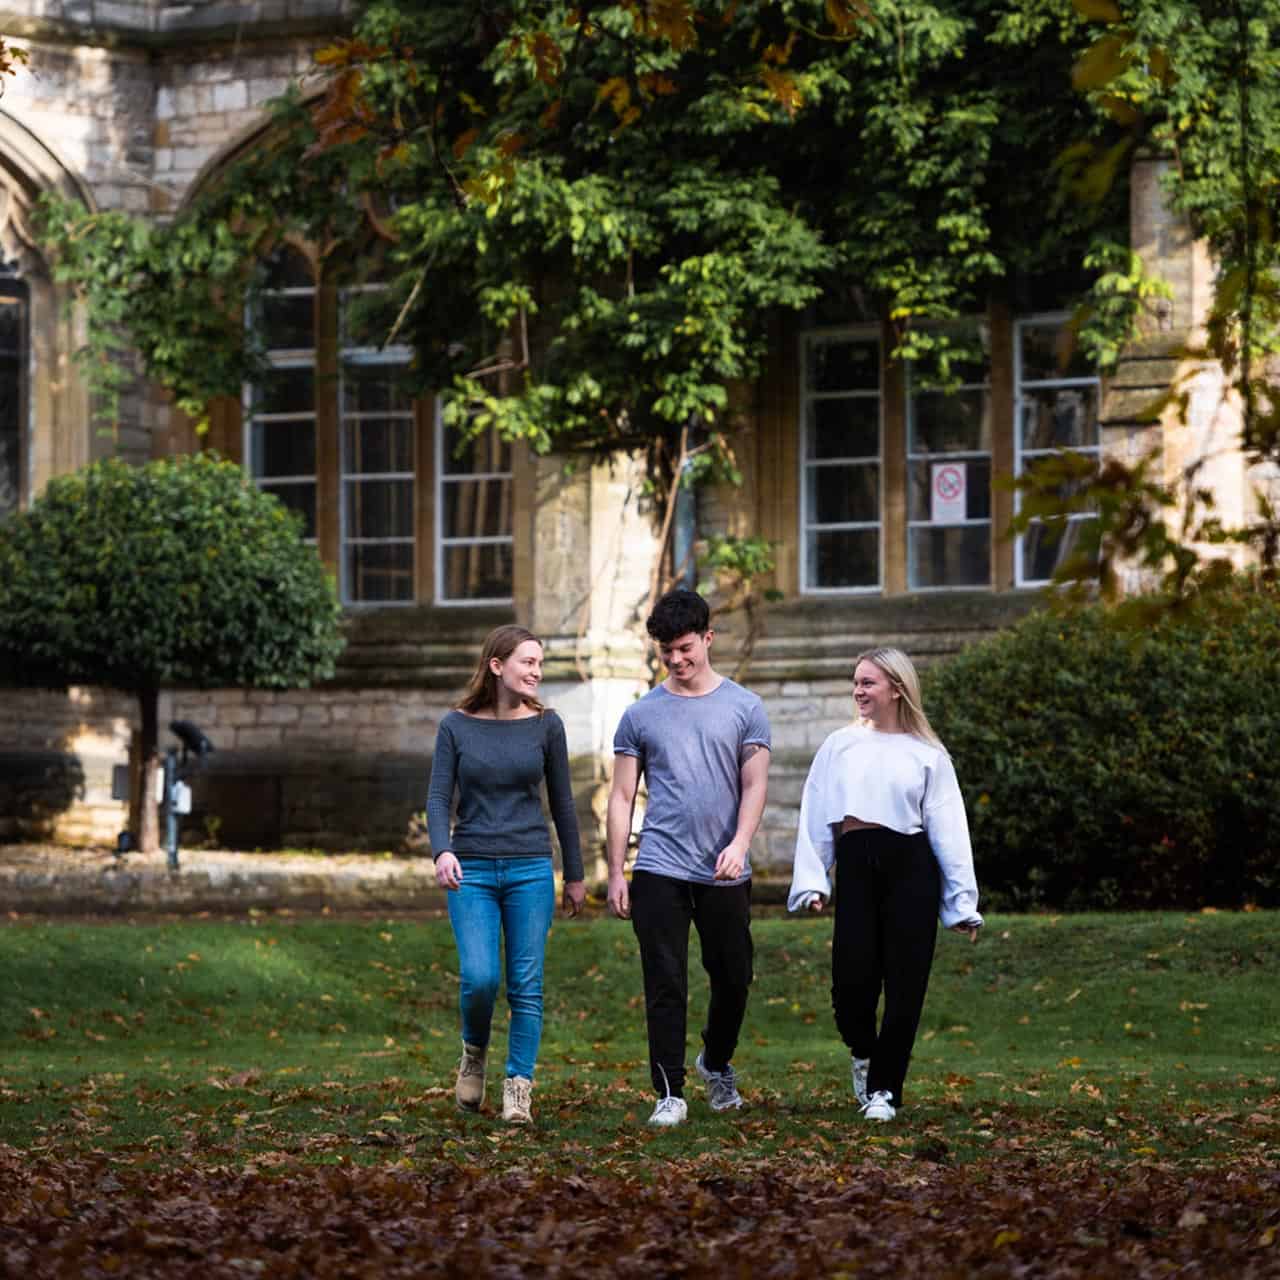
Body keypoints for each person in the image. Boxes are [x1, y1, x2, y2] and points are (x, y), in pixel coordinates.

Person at [788, 646, 982, 1124]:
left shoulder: (929, 755)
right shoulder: (839, 745)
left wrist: (961, 904)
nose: (858, 691)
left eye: (868, 683)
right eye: (856, 682)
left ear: (896, 688)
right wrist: (814, 881)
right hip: (857, 864)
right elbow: (815, 816)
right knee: (851, 986)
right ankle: (863, 1053)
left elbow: (949, 830)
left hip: (911, 868)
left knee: (904, 986)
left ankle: (885, 1090)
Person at [607, 588, 771, 1127]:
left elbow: (754, 785)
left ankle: (716, 1061)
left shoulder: (746, 708)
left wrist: (740, 844)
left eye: (684, 648)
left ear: (707, 638)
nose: (676, 660)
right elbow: (622, 796)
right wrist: (616, 871)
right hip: (659, 867)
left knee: (733, 976)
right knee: (665, 979)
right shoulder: (641, 716)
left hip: (725, 868)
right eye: (666, 652)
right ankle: (669, 1092)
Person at [428, 624, 586, 1125]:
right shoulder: (455, 726)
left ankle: (518, 1086)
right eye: (528, 662)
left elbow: (562, 804)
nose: (537, 672)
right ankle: (473, 1053)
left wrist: (576, 875)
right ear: (497, 666)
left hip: (530, 868)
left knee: (526, 983)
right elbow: (437, 799)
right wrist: (441, 852)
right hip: (470, 867)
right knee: (480, 978)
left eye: (540, 663)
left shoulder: (548, 726)